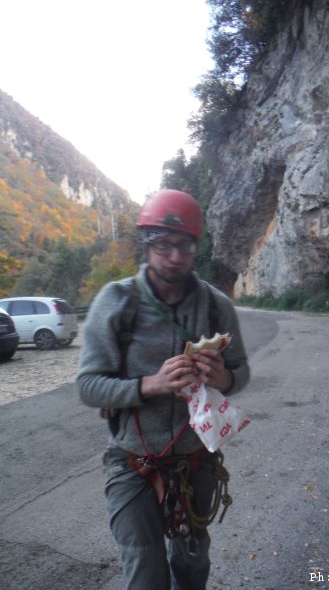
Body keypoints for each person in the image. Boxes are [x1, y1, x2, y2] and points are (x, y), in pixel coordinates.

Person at [77, 188, 250, 590]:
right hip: (133, 463)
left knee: (192, 564)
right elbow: (88, 386)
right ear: (146, 244)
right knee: (145, 573)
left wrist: (222, 378)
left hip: (195, 461)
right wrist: (150, 385)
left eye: (184, 246)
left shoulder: (216, 306)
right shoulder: (117, 301)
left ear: (195, 247)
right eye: (163, 245)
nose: (174, 256)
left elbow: (240, 373)